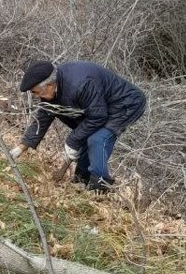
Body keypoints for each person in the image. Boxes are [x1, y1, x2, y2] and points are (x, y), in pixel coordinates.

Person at [9, 60, 146, 193]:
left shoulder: (80, 85)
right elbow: (43, 118)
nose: (35, 96)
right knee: (86, 136)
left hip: (125, 104)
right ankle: (81, 181)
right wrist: (22, 147)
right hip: (100, 107)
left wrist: (72, 141)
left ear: (50, 85)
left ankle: (99, 186)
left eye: (35, 92)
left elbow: (98, 116)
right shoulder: (53, 90)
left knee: (98, 139)